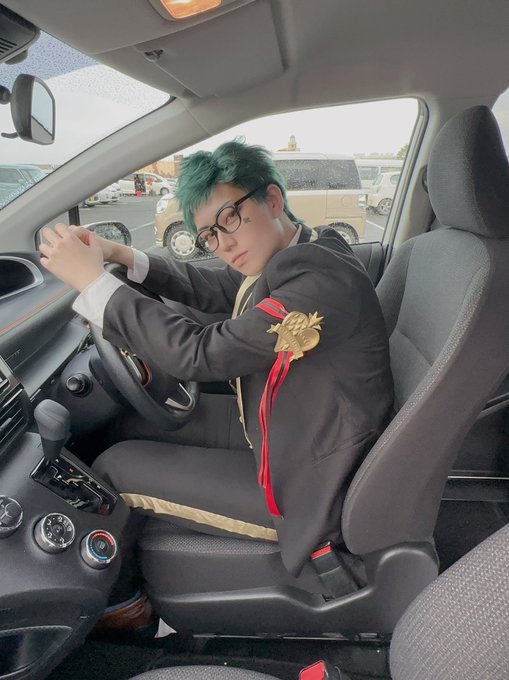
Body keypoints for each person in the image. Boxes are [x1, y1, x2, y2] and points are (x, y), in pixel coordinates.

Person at [38, 140, 394, 593]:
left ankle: (124, 604)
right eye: (208, 235)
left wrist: (94, 284)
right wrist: (123, 256)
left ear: (272, 199)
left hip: (310, 487)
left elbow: (201, 354)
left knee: (113, 467)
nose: (223, 244)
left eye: (230, 218)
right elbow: (219, 286)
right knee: (126, 425)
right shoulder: (299, 253)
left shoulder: (321, 280)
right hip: (291, 433)